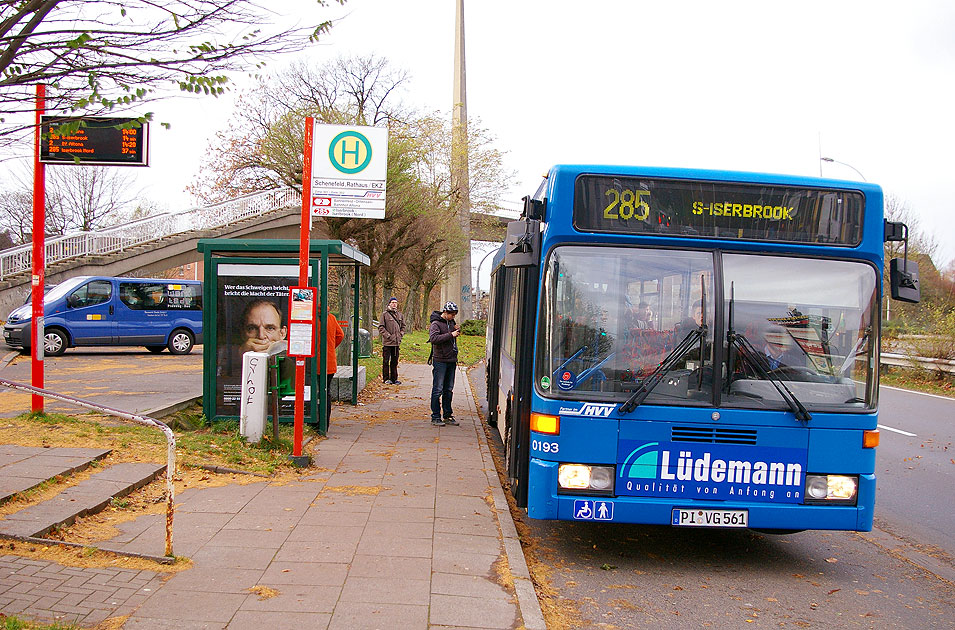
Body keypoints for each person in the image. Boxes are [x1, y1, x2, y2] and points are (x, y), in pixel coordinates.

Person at [428, 301, 461, 426]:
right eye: (451, 314)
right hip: (440, 360)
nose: (453, 317)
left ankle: (448, 414)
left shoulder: (451, 323)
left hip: (451, 360)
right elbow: (434, 339)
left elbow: (451, 337)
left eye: (454, 315)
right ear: (445, 312)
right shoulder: (436, 324)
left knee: (449, 389)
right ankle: (435, 416)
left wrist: (456, 331)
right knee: (438, 389)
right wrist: (450, 334)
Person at [319, 308, 346, 425]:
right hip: (329, 362)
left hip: (314, 364)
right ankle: (326, 421)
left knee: (315, 391)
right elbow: (340, 335)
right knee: (326, 391)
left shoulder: (312, 318)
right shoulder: (331, 318)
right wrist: (330, 347)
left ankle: (316, 419)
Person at [378, 296, 406, 385]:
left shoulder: (400, 315)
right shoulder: (384, 315)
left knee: (394, 361)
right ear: (389, 304)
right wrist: (388, 336)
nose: (394, 304)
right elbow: (381, 327)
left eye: (395, 302)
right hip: (387, 343)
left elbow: (403, 326)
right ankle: (386, 378)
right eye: (392, 302)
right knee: (386, 361)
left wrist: (401, 334)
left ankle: (394, 378)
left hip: (396, 343)